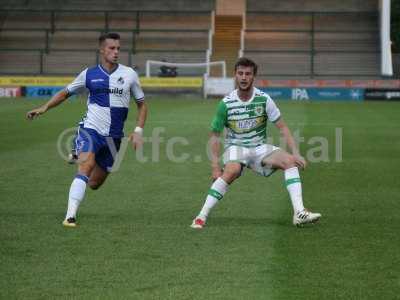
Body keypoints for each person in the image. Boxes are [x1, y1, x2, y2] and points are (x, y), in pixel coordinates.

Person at [26, 32, 147, 227]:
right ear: (102, 50)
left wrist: (138, 130)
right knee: (86, 165)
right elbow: (65, 93)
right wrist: (44, 107)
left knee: (94, 184)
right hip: (91, 129)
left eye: (118, 48)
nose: (116, 52)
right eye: (111, 48)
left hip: (114, 138)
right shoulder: (89, 74)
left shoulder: (129, 74)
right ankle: (70, 216)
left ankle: (77, 153)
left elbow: (142, 104)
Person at [191, 57, 321, 229]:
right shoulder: (226, 104)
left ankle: (299, 213)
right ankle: (201, 216)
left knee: (290, 161)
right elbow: (214, 135)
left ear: (254, 77)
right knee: (232, 170)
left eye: (248, 74)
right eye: (240, 73)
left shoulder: (264, 99)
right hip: (235, 147)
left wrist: (296, 152)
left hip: (259, 147)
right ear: (235, 76)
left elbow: (283, 127)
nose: (244, 77)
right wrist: (215, 167)